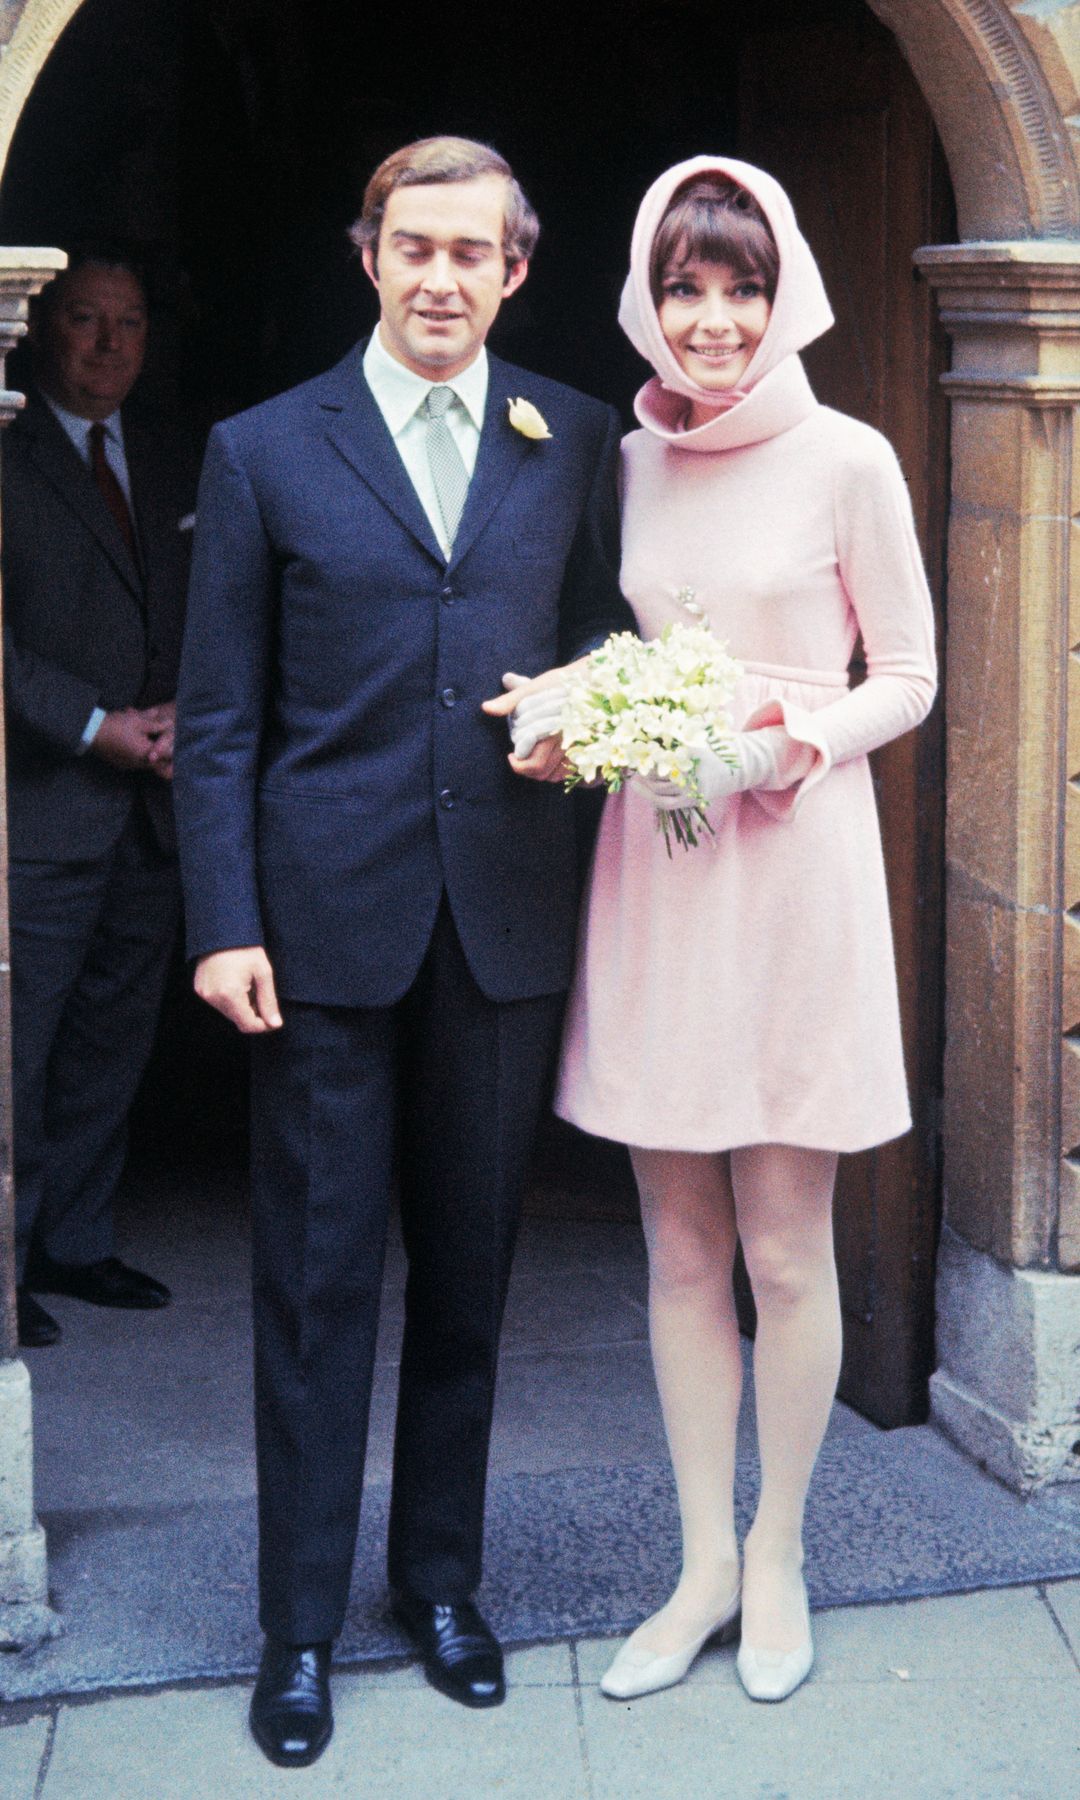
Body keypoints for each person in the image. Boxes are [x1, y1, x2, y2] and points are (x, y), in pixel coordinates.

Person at [173, 136, 629, 1769]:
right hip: (317, 932)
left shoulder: (574, 437)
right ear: (368, 254)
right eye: (413, 247)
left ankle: (441, 1586)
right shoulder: (262, 449)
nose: (442, 278)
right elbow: (219, 718)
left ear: (519, 267)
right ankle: (297, 1628)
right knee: (313, 1284)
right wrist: (222, 919)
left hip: (500, 925)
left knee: (470, 1275)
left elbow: (605, 638)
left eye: (474, 253)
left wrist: (594, 714)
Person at [552, 157, 937, 1703]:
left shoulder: (851, 457)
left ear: (788, 298)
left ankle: (779, 1550)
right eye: (687, 287)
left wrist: (778, 747)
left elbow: (906, 673)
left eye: (743, 285)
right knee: (678, 1242)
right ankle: (700, 1559)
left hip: (791, 869)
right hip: (658, 867)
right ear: (649, 298)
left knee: (785, 1245)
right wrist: (583, 717)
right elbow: (613, 640)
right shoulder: (627, 462)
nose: (713, 319)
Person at [3, 245, 197, 1349]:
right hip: (41, 808)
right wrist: (92, 726)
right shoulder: (8, 449)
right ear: (38, 328)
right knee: (15, 1054)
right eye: (85, 320)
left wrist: (184, 717)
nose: (110, 344)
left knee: (110, 1043)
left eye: (128, 323)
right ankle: (5, 1260)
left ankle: (73, 1243)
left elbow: (228, 600)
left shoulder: (176, 456)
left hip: (156, 810)